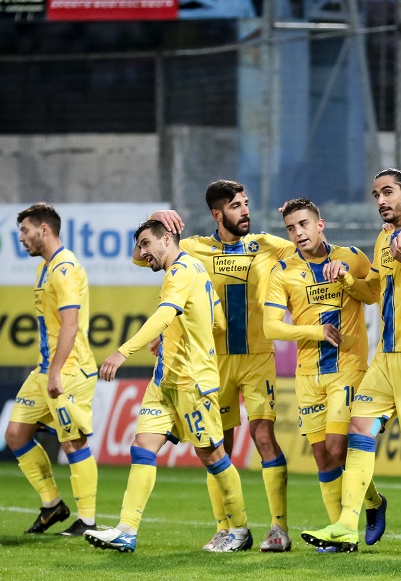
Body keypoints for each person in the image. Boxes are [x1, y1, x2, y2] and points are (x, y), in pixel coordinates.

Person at [301, 168, 401, 553]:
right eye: (376, 194)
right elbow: (374, 291)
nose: (380, 201)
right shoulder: (383, 238)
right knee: (359, 429)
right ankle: (346, 526)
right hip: (385, 357)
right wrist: (346, 281)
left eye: (388, 192)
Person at [148, 180, 295, 553]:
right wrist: (155, 220)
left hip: (257, 358)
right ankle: (227, 529)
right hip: (214, 364)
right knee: (217, 447)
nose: (245, 211)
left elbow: (308, 249)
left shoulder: (265, 245)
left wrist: (306, 227)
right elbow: (142, 255)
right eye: (235, 206)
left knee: (264, 437)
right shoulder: (193, 248)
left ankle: (279, 528)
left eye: (246, 203)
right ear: (217, 214)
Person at [84, 219, 242, 553]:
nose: (142, 253)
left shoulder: (181, 271)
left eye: (146, 243)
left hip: (192, 383)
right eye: (140, 245)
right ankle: (127, 530)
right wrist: (172, 334)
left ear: (167, 239)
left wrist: (123, 351)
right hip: (164, 381)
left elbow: (165, 313)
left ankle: (239, 530)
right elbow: (218, 322)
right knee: (142, 447)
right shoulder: (193, 270)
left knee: (213, 456)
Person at [262, 199, 387, 546]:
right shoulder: (283, 271)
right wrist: (314, 332)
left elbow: (372, 293)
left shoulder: (352, 257)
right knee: (322, 456)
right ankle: (344, 528)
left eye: (304, 224)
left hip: (347, 367)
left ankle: (364, 510)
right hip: (307, 374)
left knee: (336, 445)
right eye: (291, 228)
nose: (298, 233)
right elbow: (271, 327)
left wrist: (346, 279)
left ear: (320, 224)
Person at [4, 202, 99, 537]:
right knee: (16, 434)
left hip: (70, 369)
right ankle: (53, 504)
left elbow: (70, 325)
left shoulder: (65, 268)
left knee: (73, 442)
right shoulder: (44, 268)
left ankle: (87, 520)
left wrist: (56, 371)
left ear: (44, 229)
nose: (21, 238)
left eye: (25, 230)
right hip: (45, 369)